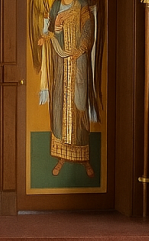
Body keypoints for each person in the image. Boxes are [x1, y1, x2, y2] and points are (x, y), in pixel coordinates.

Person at [34, 0, 101, 178]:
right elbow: (52, 32)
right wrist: (55, 27)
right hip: (61, 65)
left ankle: (84, 158)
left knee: (79, 106)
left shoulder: (81, 5)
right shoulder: (56, 5)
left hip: (78, 63)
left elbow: (88, 29)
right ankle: (61, 157)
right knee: (59, 106)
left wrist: (80, 49)